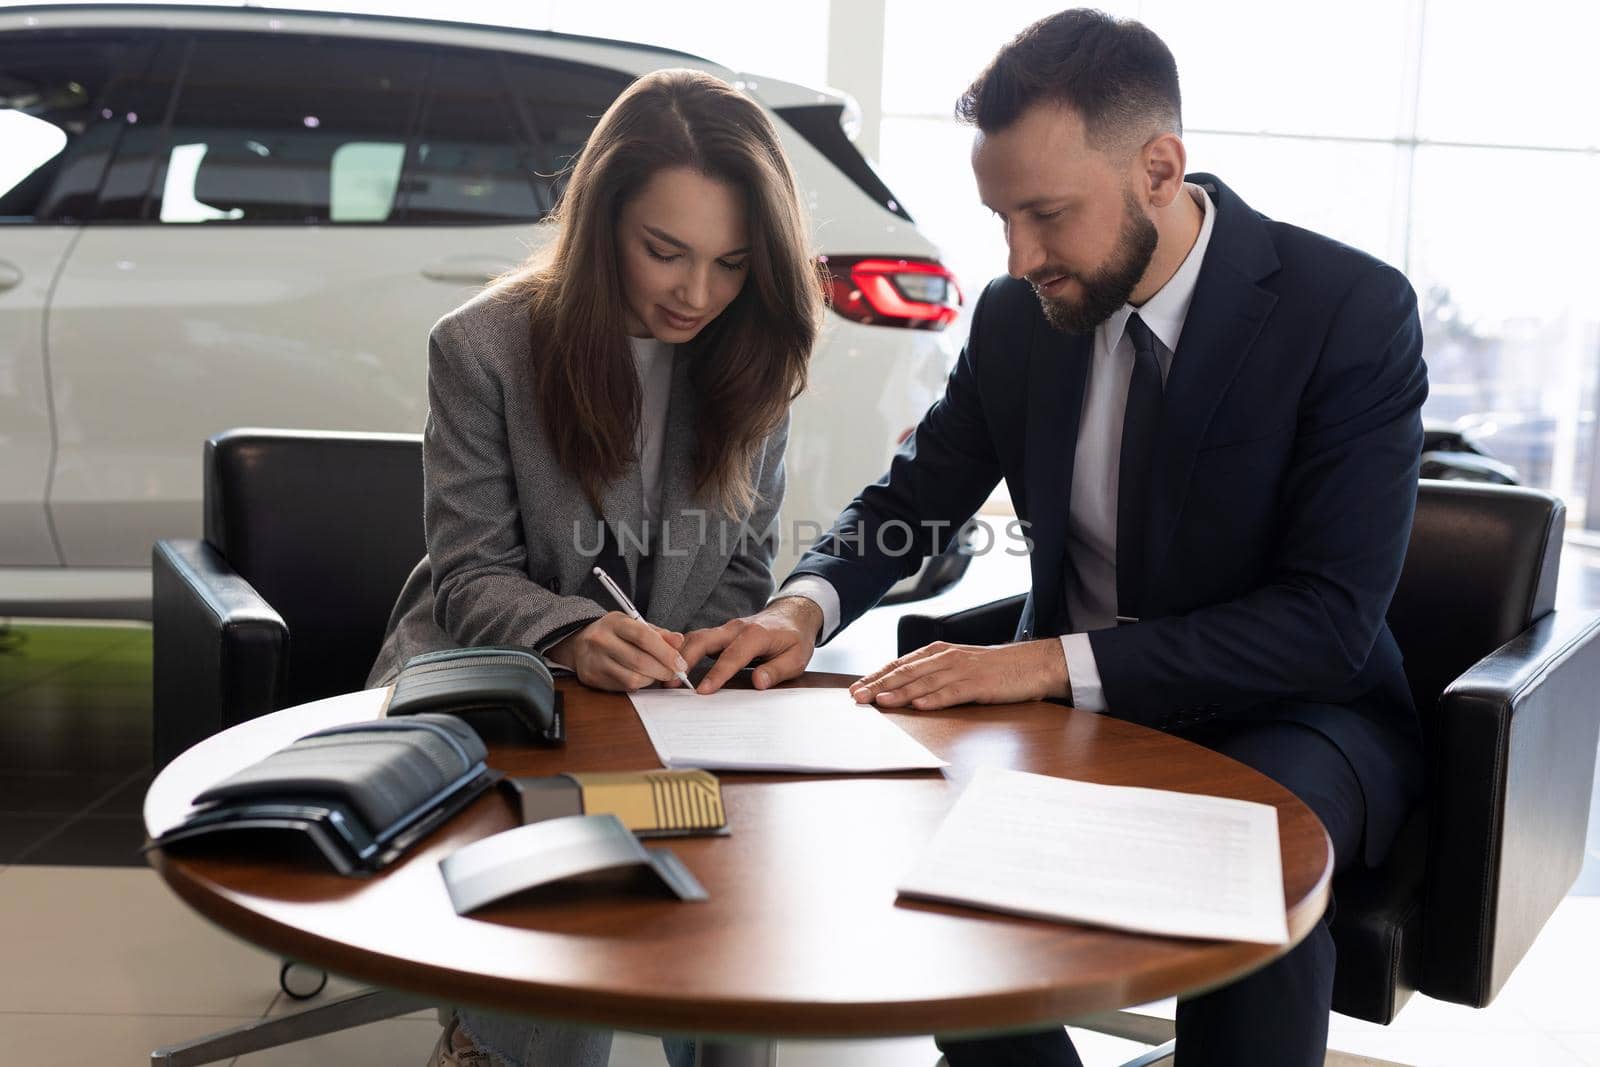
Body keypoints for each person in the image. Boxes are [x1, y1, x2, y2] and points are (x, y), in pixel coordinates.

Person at [680, 10, 1427, 1067]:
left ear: (1159, 169)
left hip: (1300, 715)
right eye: (1000, 218)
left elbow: (1325, 625)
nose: (1020, 255)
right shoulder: (1018, 316)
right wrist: (801, 605)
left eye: (1046, 215)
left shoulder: (1345, 311)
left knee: (1247, 874)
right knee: (925, 878)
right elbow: (914, 495)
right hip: (1069, 717)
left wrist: (1038, 662)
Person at [363, 68, 825, 1067]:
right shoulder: (483, 347)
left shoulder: (753, 360)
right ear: (602, 220)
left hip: (673, 696)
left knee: (728, 893)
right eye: (665, 251)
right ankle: (492, 1043)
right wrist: (571, 631)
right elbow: (471, 572)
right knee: (576, 883)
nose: (695, 292)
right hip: (498, 677)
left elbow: (744, 565)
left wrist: (719, 643)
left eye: (732, 262)